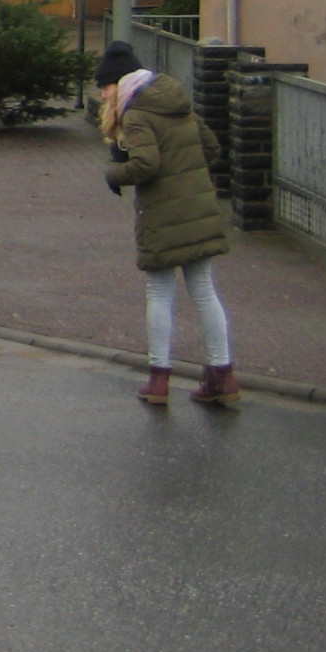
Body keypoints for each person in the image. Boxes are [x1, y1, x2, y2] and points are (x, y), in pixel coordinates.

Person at [93, 40, 239, 408]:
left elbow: (147, 165)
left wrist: (114, 173)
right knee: (204, 290)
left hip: (161, 214)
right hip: (199, 208)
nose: (102, 95)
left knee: (160, 292)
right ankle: (223, 376)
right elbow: (212, 149)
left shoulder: (138, 113)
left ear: (118, 82)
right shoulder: (176, 100)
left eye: (104, 87)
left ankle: (159, 380)